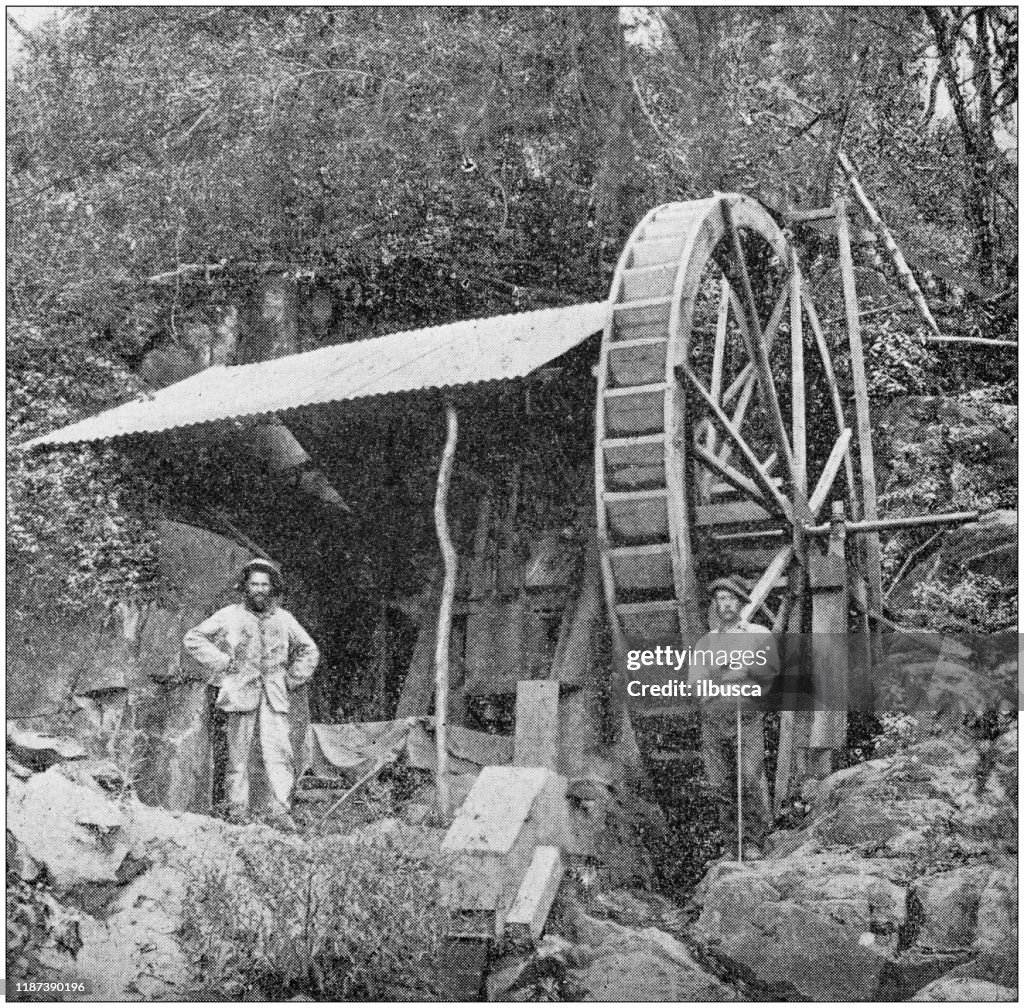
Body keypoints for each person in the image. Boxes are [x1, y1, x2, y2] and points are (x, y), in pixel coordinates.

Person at [183, 558, 319, 830]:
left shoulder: (284, 618)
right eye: (254, 584)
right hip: (240, 692)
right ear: (245, 586)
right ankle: (237, 811)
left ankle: (279, 811)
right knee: (238, 756)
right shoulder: (229, 614)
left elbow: (309, 650)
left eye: (264, 585)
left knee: (279, 753)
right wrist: (222, 661)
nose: (259, 589)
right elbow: (193, 638)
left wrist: (290, 679)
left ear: (272, 588)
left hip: (274, 698)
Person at [688, 576, 777, 854]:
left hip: (746, 716)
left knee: (748, 777)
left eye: (730, 599)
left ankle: (753, 842)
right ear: (716, 605)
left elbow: (770, 671)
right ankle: (732, 844)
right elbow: (696, 683)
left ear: (740, 602)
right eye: (720, 599)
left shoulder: (758, 634)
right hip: (714, 721)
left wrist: (746, 672)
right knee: (720, 783)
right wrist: (729, 677)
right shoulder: (706, 642)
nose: (725, 604)